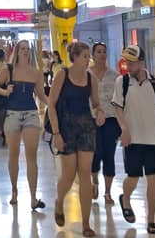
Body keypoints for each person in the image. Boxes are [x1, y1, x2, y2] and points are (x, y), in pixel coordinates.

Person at [111, 45, 155, 233]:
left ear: (141, 62)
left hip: (151, 138)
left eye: (132, 62)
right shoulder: (122, 82)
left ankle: (151, 220)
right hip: (132, 139)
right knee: (133, 177)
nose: (128, 65)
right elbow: (117, 108)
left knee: (153, 179)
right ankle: (125, 198)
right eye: (127, 62)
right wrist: (124, 129)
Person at [50, 40, 103, 235]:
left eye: (89, 56)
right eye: (84, 56)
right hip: (66, 128)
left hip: (86, 127)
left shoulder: (91, 79)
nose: (87, 60)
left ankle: (86, 223)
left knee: (85, 175)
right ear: (74, 57)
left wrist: (99, 112)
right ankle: (59, 200)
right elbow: (51, 106)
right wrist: (56, 133)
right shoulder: (62, 75)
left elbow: (96, 103)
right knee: (69, 175)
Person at [0, 39, 46, 210]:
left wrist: (54, 104)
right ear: (16, 51)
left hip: (31, 113)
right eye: (22, 48)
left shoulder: (36, 73)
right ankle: (14, 190)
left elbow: (41, 95)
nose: (25, 51)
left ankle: (33, 197)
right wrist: (5, 91)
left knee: (32, 156)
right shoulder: (8, 69)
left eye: (27, 49)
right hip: (12, 114)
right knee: (13, 154)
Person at [88, 43, 121, 207]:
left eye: (104, 52)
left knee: (109, 155)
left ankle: (108, 192)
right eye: (98, 52)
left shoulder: (115, 76)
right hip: (92, 120)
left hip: (111, 120)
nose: (101, 54)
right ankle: (95, 181)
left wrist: (123, 124)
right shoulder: (86, 75)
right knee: (95, 153)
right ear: (93, 55)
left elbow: (120, 101)